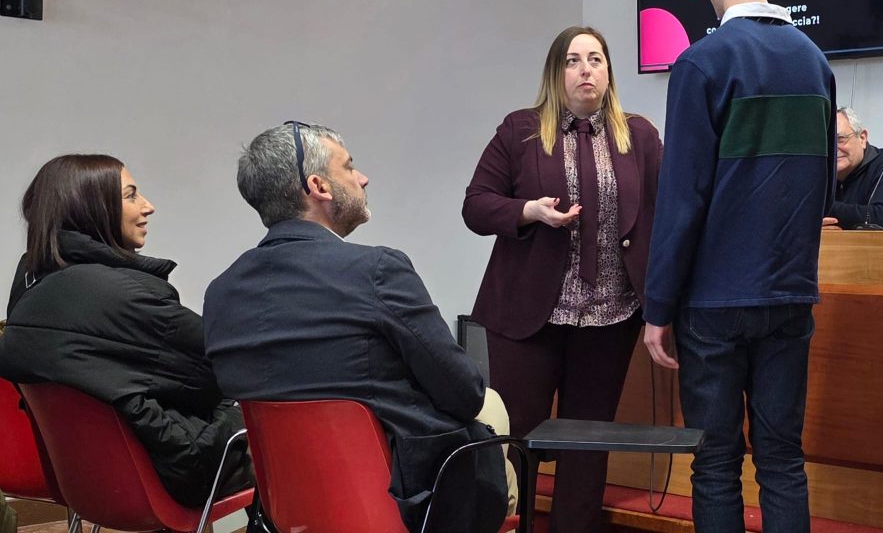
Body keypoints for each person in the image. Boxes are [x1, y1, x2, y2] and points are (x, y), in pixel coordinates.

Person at [203, 123, 512, 533]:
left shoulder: (221, 292)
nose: (362, 178)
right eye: (349, 167)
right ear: (318, 186)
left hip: (287, 508)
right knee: (491, 409)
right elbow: (464, 392)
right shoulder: (377, 270)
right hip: (401, 504)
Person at [643, 0, 836, 533]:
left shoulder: (702, 62)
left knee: (716, 463)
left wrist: (657, 308)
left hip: (714, 303)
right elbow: (823, 193)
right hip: (790, 294)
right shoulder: (815, 64)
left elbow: (682, 200)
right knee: (783, 460)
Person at [464, 26, 662, 532]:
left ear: (609, 71)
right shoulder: (521, 130)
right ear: (556, 73)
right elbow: (476, 205)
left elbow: (665, 213)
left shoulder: (639, 136)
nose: (585, 69)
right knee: (517, 439)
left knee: (587, 447)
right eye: (573, 60)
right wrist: (527, 211)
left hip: (610, 316)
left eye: (595, 59)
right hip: (529, 315)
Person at [0, 154, 252, 508]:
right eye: (131, 196)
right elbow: (225, 372)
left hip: (86, 481)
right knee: (274, 410)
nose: (148, 206)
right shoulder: (128, 296)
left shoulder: (29, 285)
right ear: (90, 209)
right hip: (176, 473)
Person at [821, 106, 883, 230]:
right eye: (824, 142)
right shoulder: (818, 173)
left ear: (862, 138)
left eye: (840, 139)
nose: (832, 148)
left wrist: (819, 209)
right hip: (838, 243)